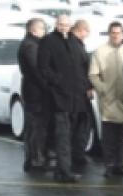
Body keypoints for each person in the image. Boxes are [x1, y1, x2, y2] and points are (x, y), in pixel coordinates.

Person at [38, 15, 88, 183]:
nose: (63, 27)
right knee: (62, 136)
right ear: (56, 25)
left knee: (71, 135)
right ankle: (65, 171)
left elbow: (83, 65)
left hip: (77, 98)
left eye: (66, 25)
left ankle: (62, 169)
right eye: (60, 24)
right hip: (59, 98)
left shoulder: (75, 42)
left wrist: (85, 86)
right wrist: (57, 82)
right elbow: (43, 67)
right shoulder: (48, 41)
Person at [89, 21, 123, 178]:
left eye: (118, 32)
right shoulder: (100, 52)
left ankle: (120, 164)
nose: (116, 35)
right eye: (113, 32)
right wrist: (102, 89)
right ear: (109, 34)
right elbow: (93, 74)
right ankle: (109, 165)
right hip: (107, 98)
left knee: (121, 134)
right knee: (108, 135)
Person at [18, 18, 48, 172]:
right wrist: (47, 85)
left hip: (32, 90)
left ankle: (34, 159)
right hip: (34, 92)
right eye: (42, 28)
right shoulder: (31, 45)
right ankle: (35, 160)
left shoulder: (31, 43)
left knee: (35, 126)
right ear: (34, 30)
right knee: (36, 126)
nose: (45, 31)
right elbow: (37, 69)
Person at [69, 19, 94, 171]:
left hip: (75, 92)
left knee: (78, 124)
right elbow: (82, 69)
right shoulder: (76, 46)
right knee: (83, 124)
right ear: (82, 30)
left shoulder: (71, 44)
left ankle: (76, 153)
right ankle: (77, 154)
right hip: (78, 93)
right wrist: (89, 86)